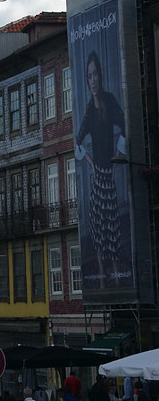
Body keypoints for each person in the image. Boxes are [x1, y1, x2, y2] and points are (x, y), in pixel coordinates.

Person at [75, 50, 127, 285]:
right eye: (89, 76)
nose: (92, 80)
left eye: (95, 75)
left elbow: (125, 128)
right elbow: (78, 143)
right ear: (86, 80)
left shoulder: (109, 101)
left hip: (109, 175)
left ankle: (116, 277)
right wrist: (91, 163)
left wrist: (117, 155)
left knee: (112, 226)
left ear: (101, 76)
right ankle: (102, 279)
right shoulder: (88, 110)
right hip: (98, 178)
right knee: (97, 227)